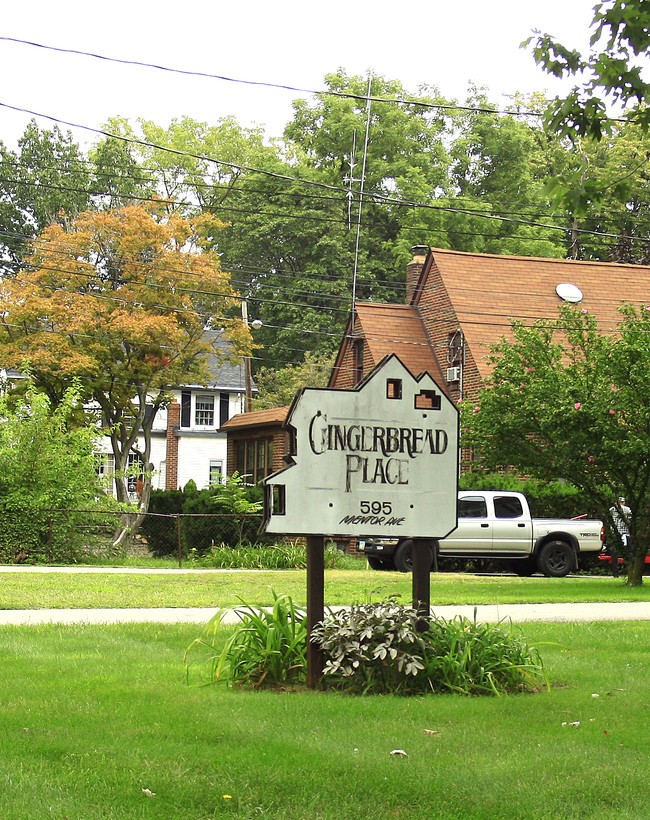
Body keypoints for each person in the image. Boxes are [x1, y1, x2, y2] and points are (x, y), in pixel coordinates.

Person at [608, 497, 631, 577]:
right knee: (629, 554)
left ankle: (615, 573)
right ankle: (629, 572)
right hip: (625, 533)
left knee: (614, 555)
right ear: (624, 502)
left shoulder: (611, 510)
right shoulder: (627, 510)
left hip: (614, 534)